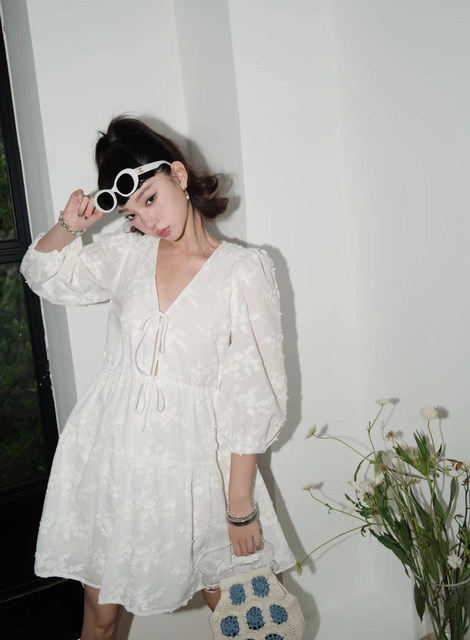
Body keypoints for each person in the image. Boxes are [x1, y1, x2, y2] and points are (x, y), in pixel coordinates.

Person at [20, 116, 296, 640]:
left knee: (243, 622)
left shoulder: (243, 270)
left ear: (179, 176)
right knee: (100, 619)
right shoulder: (128, 255)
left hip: (200, 467)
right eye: (132, 212)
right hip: (116, 459)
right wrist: (70, 226)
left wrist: (240, 506)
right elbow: (45, 274)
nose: (147, 221)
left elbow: (251, 393)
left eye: (150, 199)